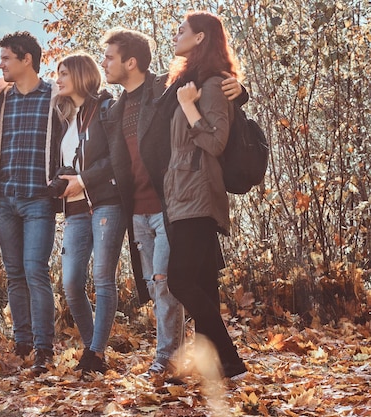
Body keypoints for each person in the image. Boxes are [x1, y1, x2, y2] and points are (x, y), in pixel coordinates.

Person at [100, 27, 247, 379]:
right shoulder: (116, 108)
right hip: (143, 206)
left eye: (109, 57)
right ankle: (218, 365)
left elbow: (214, 94)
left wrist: (241, 92)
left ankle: (196, 359)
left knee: (176, 282)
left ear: (131, 62)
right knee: (186, 283)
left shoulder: (165, 87)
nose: (103, 63)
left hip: (176, 200)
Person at [163, 11, 247, 379]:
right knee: (202, 285)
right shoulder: (187, 80)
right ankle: (223, 366)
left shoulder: (212, 84)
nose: (176, 35)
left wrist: (188, 107)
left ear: (200, 38)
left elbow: (215, 141)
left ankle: (230, 358)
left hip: (197, 194)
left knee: (180, 280)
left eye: (182, 30)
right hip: (182, 193)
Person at [0, 31, 62, 375]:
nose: (1, 65)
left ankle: (44, 348)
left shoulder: (55, 95)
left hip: (39, 200)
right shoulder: (0, 101)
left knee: (35, 271)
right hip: (6, 200)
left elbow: (93, 94)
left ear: (27, 59)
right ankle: (22, 343)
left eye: (7, 58)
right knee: (14, 274)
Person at [51, 53, 126, 374]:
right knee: (70, 283)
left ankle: (94, 354)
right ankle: (92, 349)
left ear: (81, 75)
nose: (58, 79)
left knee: (103, 279)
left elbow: (115, 159)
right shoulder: (69, 118)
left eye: (64, 73)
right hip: (75, 209)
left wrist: (83, 179)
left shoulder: (106, 109)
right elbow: (69, 162)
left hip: (107, 201)